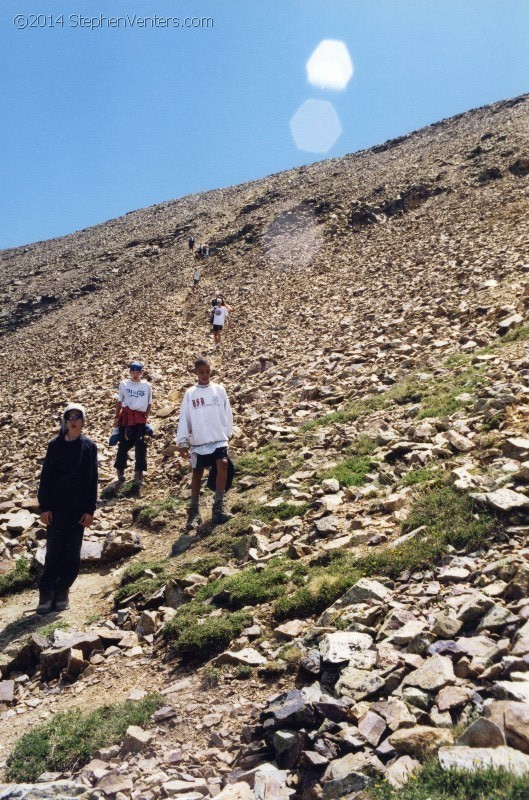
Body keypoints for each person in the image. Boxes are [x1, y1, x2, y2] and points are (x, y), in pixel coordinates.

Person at [37, 403, 98, 614]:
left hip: (78, 510)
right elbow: (46, 478)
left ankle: (62, 589)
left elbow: (92, 481)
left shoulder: (89, 447)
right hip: (56, 509)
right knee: (53, 551)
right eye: (69, 417)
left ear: (83, 421)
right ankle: (46, 592)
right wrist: (44, 507)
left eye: (77, 417)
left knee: (72, 553)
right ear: (65, 421)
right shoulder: (54, 446)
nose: (73, 420)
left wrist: (90, 510)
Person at [176, 358, 233, 529]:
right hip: (200, 440)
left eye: (207, 371)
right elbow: (184, 418)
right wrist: (183, 441)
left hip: (218, 438)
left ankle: (218, 506)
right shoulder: (190, 393)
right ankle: (194, 512)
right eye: (201, 372)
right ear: (195, 373)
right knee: (197, 473)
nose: (205, 375)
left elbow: (227, 412)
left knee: (223, 464)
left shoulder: (219, 390)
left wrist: (227, 433)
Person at [113, 360, 152, 485]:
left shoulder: (146, 386)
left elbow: (149, 403)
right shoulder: (124, 384)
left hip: (140, 418)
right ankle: (120, 470)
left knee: (140, 443)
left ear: (141, 373)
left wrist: (147, 418)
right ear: (130, 372)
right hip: (126, 417)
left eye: (137, 372)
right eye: (133, 372)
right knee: (124, 443)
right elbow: (119, 401)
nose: (135, 374)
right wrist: (116, 417)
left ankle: (139, 472)